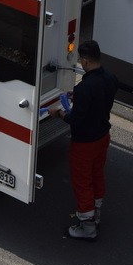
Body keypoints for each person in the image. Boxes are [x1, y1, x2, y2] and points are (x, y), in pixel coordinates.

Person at [55, 40, 118, 241]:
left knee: (82, 182)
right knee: (97, 175)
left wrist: (58, 113)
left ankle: (87, 226)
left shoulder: (85, 88)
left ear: (85, 60)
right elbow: (97, 100)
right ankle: (96, 212)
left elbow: (75, 120)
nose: (81, 63)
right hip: (102, 137)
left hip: (84, 144)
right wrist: (79, 98)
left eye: (81, 60)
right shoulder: (110, 78)